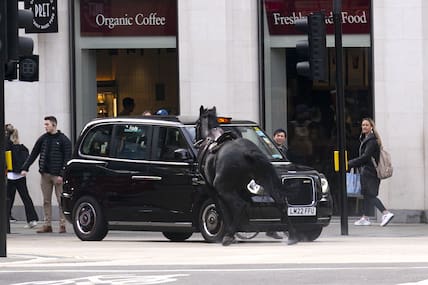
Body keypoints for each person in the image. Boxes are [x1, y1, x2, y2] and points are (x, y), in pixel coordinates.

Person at [21, 116, 72, 233]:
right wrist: (25, 167)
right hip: (45, 174)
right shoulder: (43, 139)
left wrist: (62, 174)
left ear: (54, 125)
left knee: (60, 200)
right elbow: (34, 153)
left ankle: (62, 224)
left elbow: (67, 158)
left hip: (57, 175)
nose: (45, 127)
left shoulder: (64, 140)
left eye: (47, 124)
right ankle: (47, 224)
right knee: (46, 200)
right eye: (45, 124)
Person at [348, 118, 394, 227]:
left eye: (366, 125)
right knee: (366, 194)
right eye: (363, 125)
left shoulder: (372, 141)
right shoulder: (367, 139)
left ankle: (385, 213)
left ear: (371, 127)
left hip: (370, 172)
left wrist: (349, 163)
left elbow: (365, 157)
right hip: (367, 172)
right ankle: (365, 217)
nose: (364, 127)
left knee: (370, 195)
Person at [6, 126, 39, 229]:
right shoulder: (23, 148)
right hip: (20, 175)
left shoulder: (8, 147)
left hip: (10, 176)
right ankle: (32, 219)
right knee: (26, 197)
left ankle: (6, 218)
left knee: (8, 199)